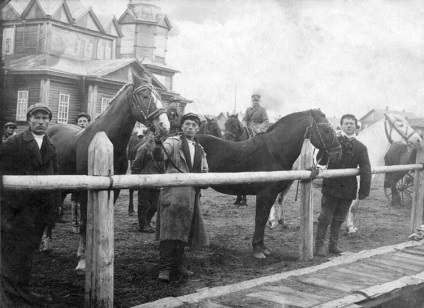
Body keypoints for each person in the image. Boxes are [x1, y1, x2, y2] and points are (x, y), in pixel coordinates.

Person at [1, 103, 58, 307]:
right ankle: (10, 296)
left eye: (45, 118)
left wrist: (53, 208)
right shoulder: (14, 143)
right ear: (29, 120)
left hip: (39, 211)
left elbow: (55, 178)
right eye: (37, 118)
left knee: (28, 252)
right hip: (17, 210)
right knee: (12, 252)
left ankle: (22, 291)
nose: (41, 122)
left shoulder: (50, 146)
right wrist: (9, 209)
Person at [152, 112, 209, 282]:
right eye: (187, 124)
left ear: (198, 128)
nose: (190, 127)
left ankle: (178, 265)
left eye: (194, 125)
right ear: (182, 126)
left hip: (190, 196)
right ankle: (164, 269)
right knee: (169, 233)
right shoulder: (172, 142)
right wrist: (157, 144)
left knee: (184, 232)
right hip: (173, 195)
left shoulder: (200, 149)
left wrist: (204, 180)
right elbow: (160, 156)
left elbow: (205, 171)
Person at [315, 114, 371, 257]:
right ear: (341, 126)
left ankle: (333, 245)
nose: (349, 125)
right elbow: (320, 162)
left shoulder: (361, 147)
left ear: (356, 126)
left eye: (352, 123)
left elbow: (366, 168)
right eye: (346, 123)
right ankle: (318, 246)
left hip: (348, 188)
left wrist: (364, 190)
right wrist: (324, 149)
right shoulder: (333, 142)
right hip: (331, 186)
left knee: (340, 218)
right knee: (325, 217)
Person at [131, 130, 165, 233]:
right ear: (148, 135)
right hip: (145, 179)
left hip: (157, 180)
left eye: (158, 134)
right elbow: (135, 165)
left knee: (155, 205)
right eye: (153, 134)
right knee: (143, 203)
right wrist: (137, 178)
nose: (156, 136)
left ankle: (147, 222)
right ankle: (143, 225)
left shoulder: (163, 148)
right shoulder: (143, 148)